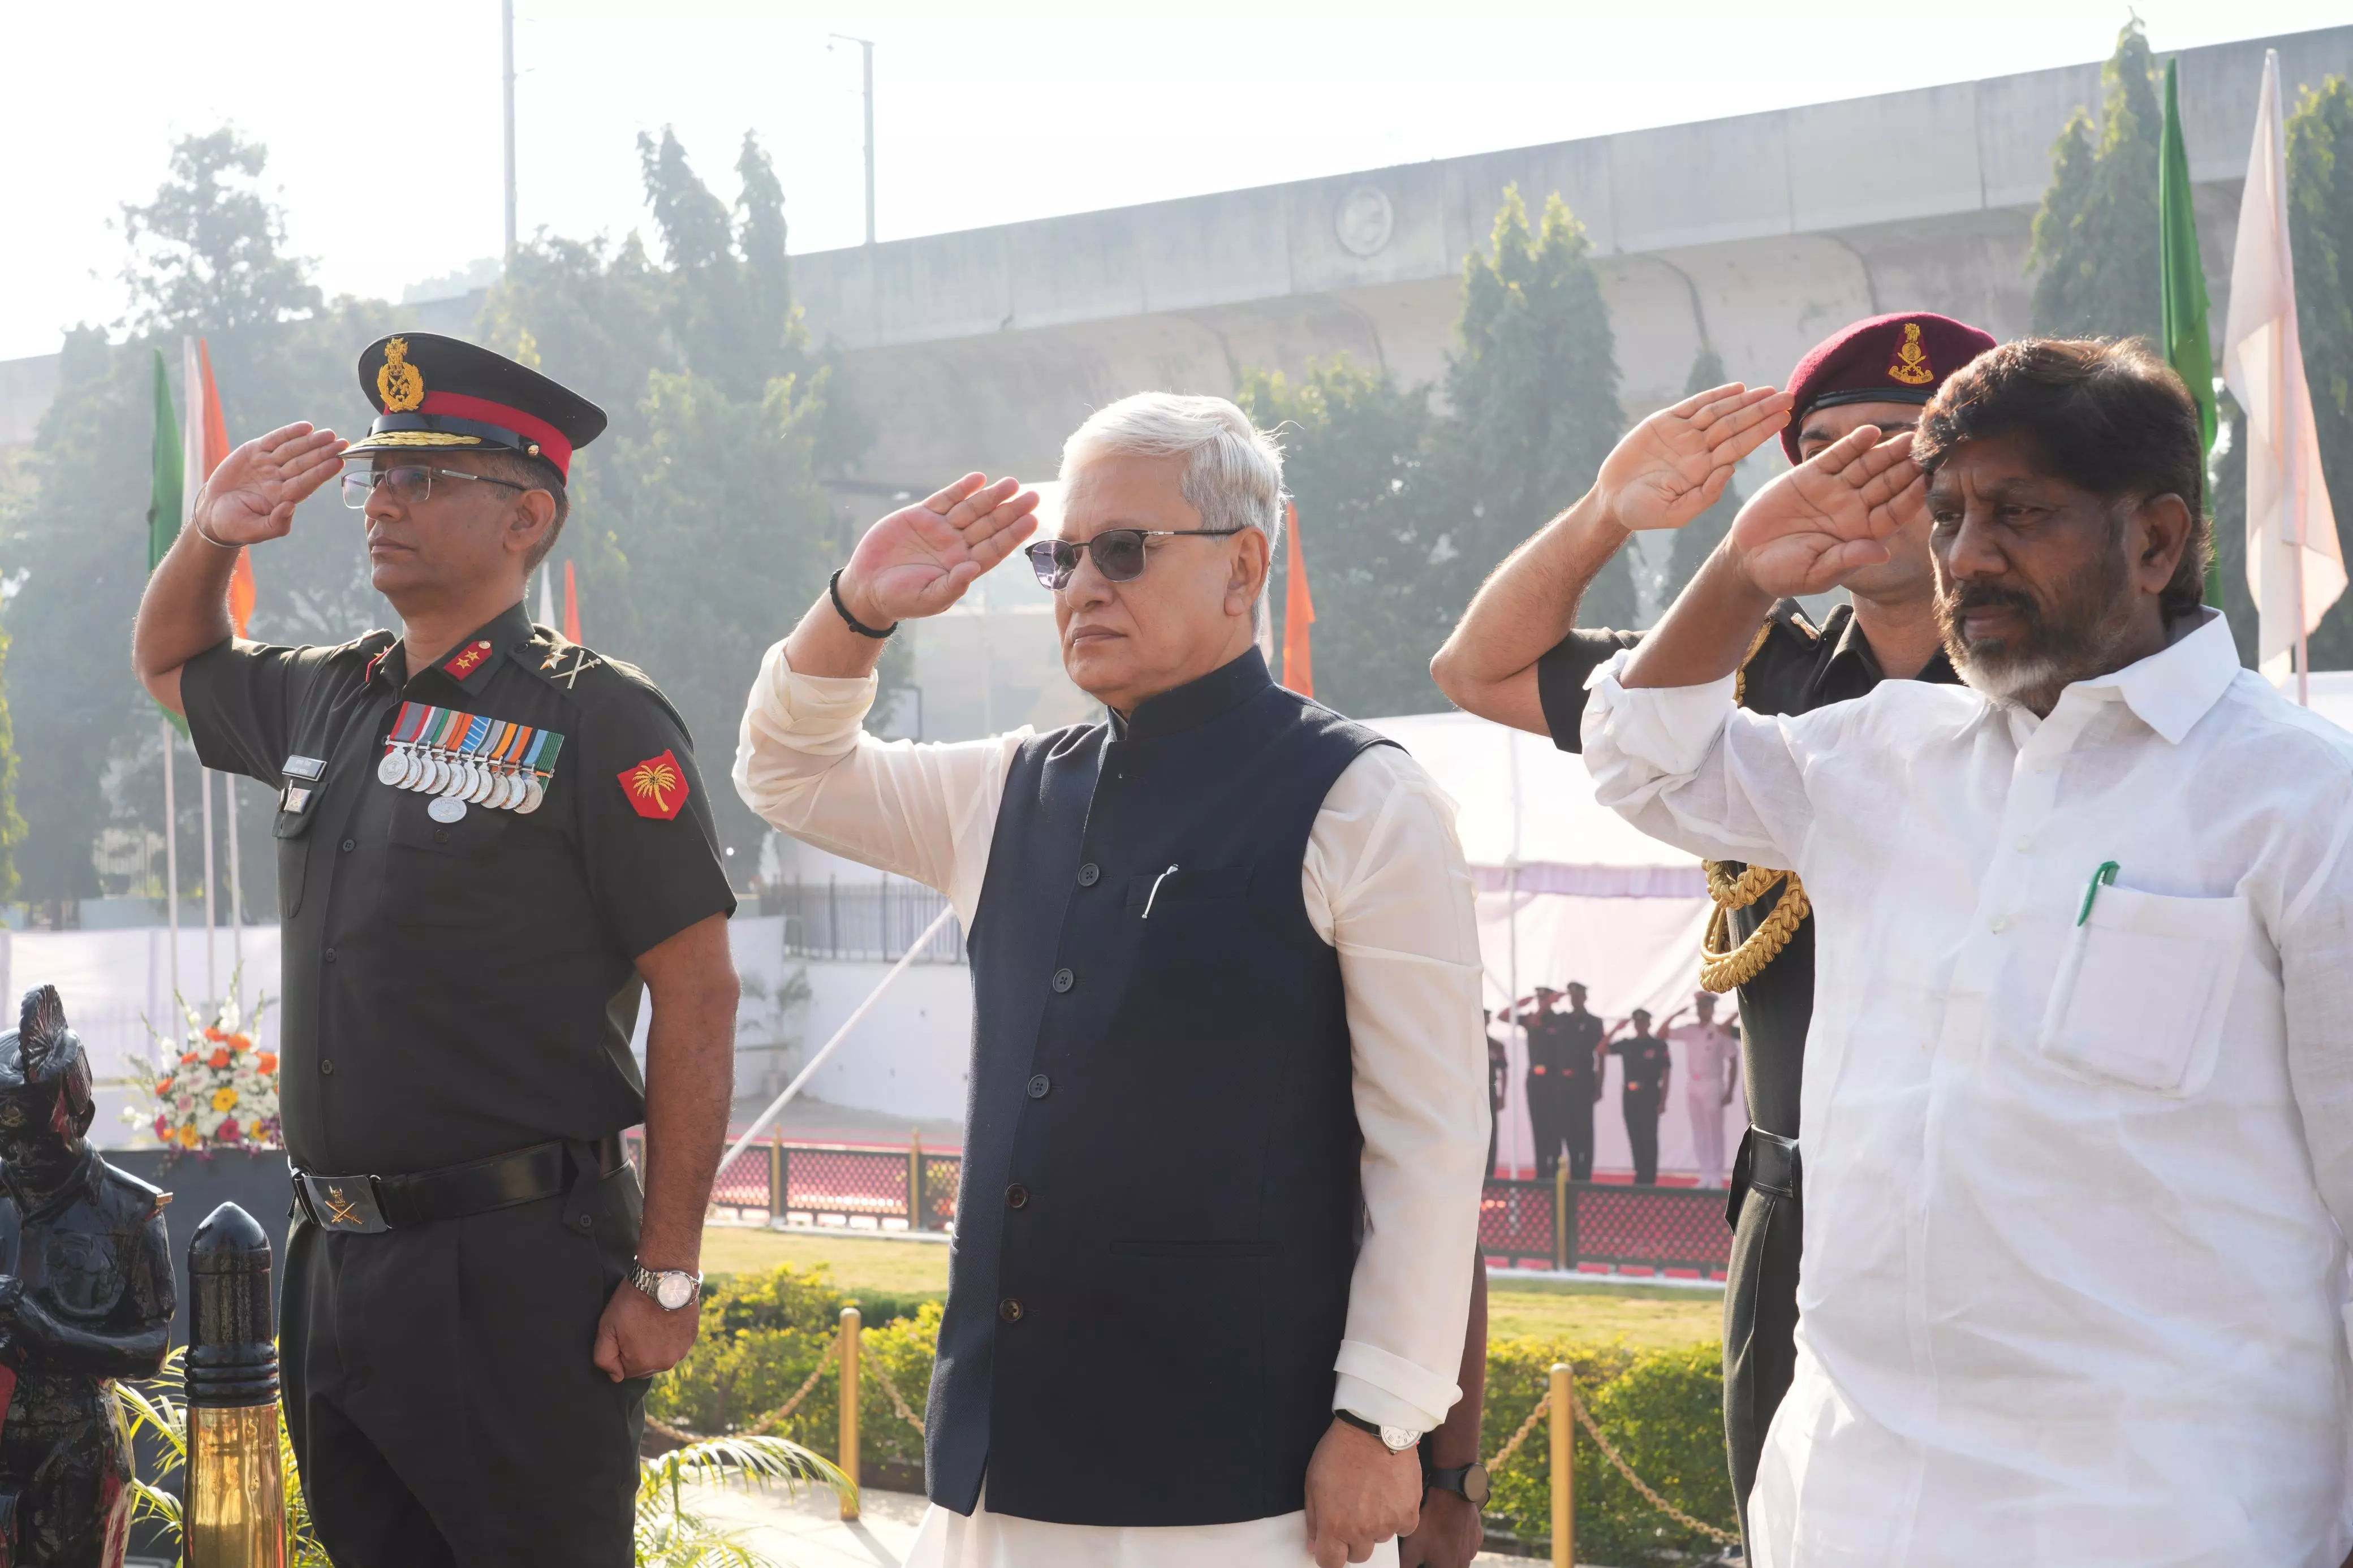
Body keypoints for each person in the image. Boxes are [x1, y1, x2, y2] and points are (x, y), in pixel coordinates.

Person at [1583, 337, 2353, 1563]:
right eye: (1945, 515)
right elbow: (1637, 757)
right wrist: (1738, 571)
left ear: (2154, 541)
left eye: (2018, 513)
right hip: (1854, 1499)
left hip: (2172, 1512)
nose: (1964, 556)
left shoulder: (2301, 804)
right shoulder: (1883, 755)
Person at [733, 393, 1489, 1568]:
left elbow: (1432, 1142)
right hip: (997, 1474)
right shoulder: (1008, 791)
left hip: (1237, 1484)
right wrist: (858, 609)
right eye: (1059, 556)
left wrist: (1381, 1423)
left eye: (1123, 551)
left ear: (1243, 568)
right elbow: (785, 771)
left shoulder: (1360, 798)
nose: (1082, 586)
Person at [130, 334, 741, 1568]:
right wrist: (214, 535)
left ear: (527, 515)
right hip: (335, 1262)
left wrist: (668, 1274)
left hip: (513, 1268)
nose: (382, 503)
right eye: (375, 478)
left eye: (424, 479)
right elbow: (171, 661)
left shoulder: (591, 714)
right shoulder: (330, 691)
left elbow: (698, 992)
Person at [1429, 310, 1996, 1539]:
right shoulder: (1741, 676)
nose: (1858, 476)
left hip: (1988, 1193)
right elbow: (1476, 669)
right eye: (1825, 446)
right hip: (1790, 1206)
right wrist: (1607, 514)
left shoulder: (2049, 691)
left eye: (1904, 445)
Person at [1665, 991, 1742, 1188]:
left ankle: (1716, 1175)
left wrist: (1730, 1090)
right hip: (1694, 1084)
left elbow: (1733, 1059)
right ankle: (1705, 1174)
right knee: (1699, 1131)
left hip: (1713, 1083)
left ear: (1712, 1009)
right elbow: (1662, 1033)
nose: (1702, 1010)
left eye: (1706, 1007)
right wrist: (1675, 1014)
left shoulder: (1720, 1031)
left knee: (1714, 1131)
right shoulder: (1690, 1030)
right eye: (1699, 1007)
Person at [1603, 1009, 1671, 1186]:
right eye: (1637, 1023)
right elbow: (1601, 1049)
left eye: (1643, 1023)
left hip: (1650, 1096)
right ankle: (1640, 1174)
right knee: (1635, 1136)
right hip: (1630, 1096)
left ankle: (1650, 1177)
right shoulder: (1627, 1044)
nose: (1640, 1026)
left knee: (1649, 1137)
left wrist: (1663, 1101)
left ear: (1649, 1024)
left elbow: (1666, 1074)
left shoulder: (1658, 1046)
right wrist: (1616, 1029)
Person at [1511, 987, 1567, 1178]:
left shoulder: (1559, 1020)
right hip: (1535, 1079)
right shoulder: (1532, 1018)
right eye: (1541, 999)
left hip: (1554, 1078)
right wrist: (1523, 1001)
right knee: (1539, 1124)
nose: (1542, 1002)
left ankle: (1555, 1169)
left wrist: (1549, 1004)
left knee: (1555, 1124)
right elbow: (1504, 1017)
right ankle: (1542, 1170)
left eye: (1545, 998)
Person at [1484, 1010, 1511, 1176]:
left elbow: (1504, 1071)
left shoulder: (1496, 1045)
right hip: (1472, 1092)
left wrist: (1503, 1095)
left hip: (1490, 1089)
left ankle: (1490, 1172)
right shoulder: (1468, 1043)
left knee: (1492, 1133)